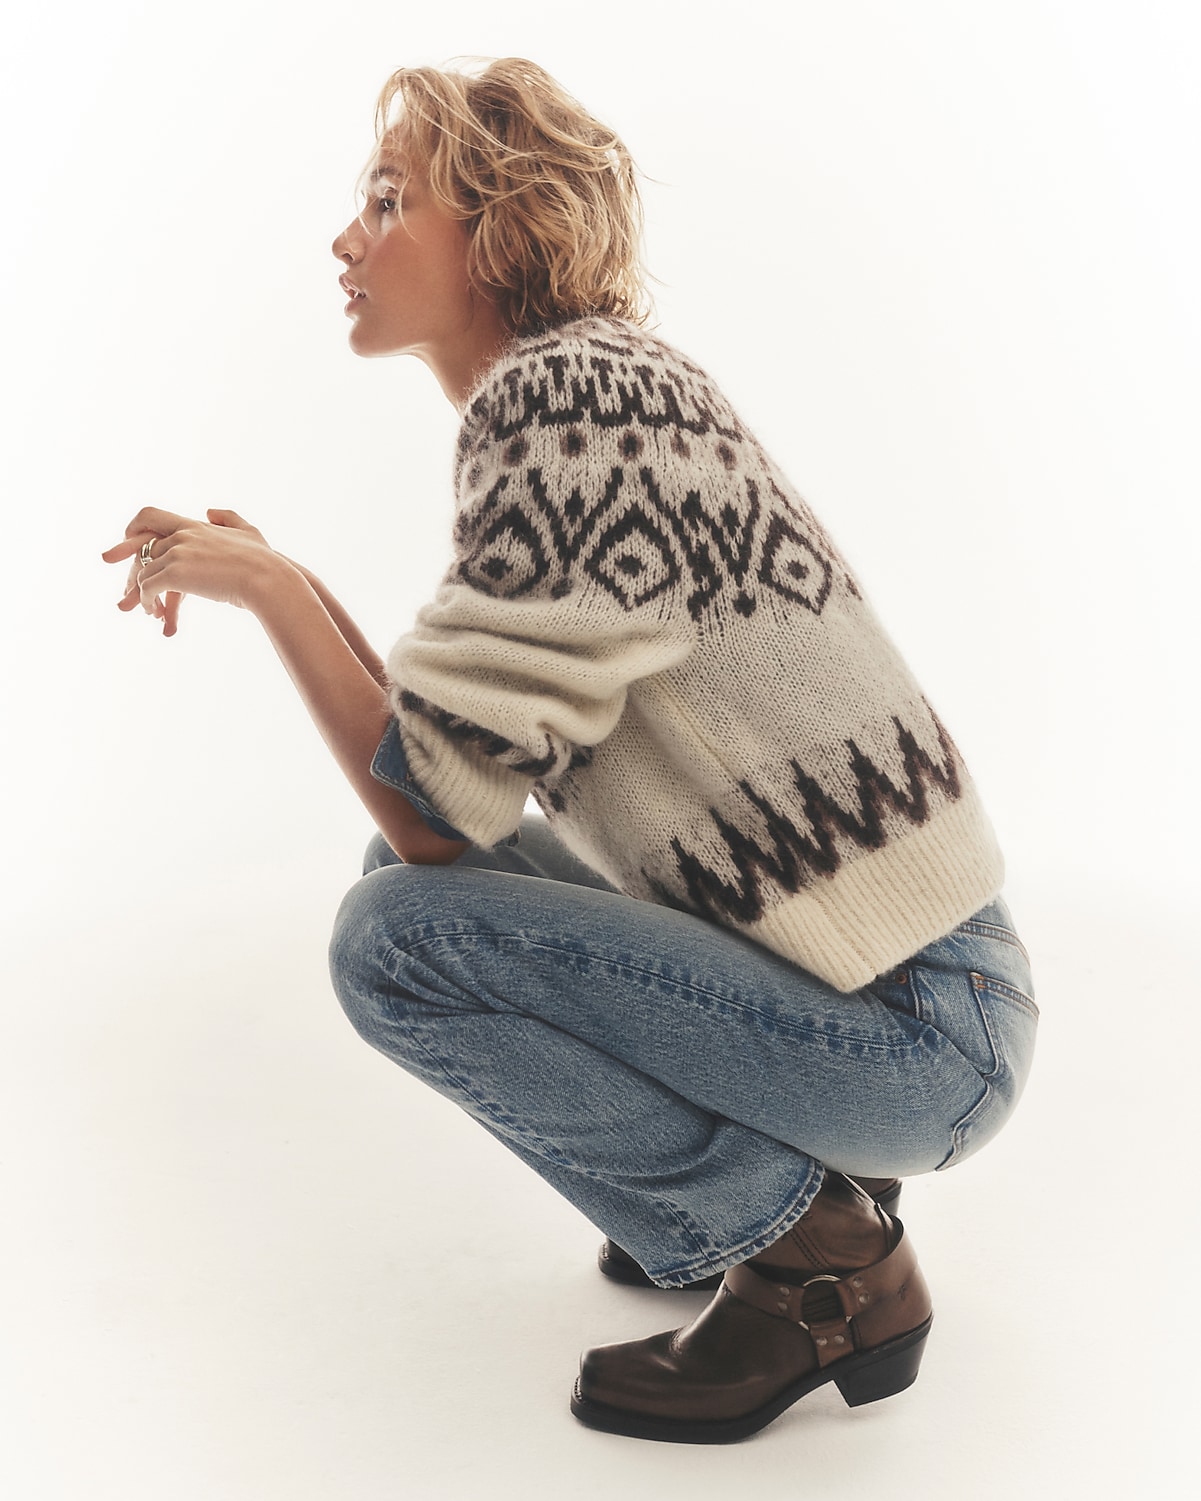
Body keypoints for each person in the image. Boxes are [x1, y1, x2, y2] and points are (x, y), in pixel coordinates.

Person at [103, 58, 1037, 1445]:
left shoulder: (564, 411)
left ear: (492, 232)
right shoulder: (597, 393)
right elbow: (443, 785)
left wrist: (274, 596)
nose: (345, 237)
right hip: (915, 1001)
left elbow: (435, 826)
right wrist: (286, 571)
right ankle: (749, 1193)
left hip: (911, 1037)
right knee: (411, 880)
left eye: (383, 200)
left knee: (395, 934)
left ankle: (807, 1252)